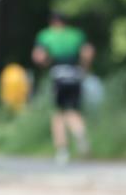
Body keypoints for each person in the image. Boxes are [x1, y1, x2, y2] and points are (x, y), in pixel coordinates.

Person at [32, 11, 94, 165]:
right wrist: (84, 68)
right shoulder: (76, 35)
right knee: (73, 110)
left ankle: (62, 151)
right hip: (75, 74)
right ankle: (80, 135)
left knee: (58, 114)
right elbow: (88, 52)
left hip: (58, 74)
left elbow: (38, 56)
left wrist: (46, 63)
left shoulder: (46, 35)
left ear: (53, 22)